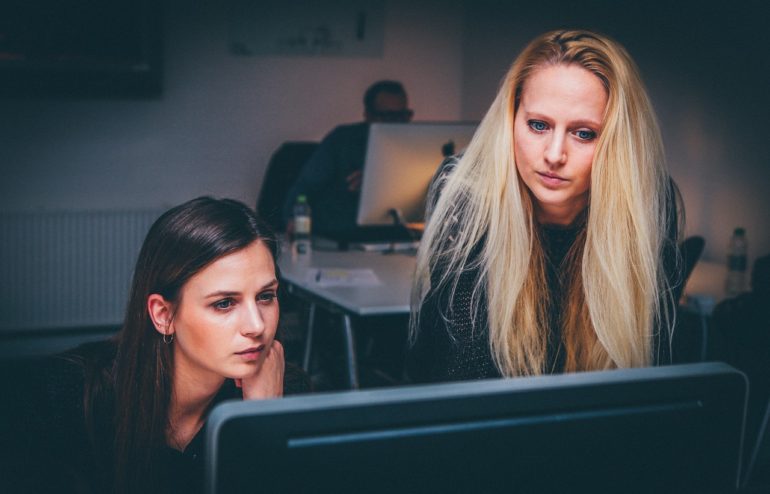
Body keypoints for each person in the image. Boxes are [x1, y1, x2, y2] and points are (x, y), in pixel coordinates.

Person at [408, 29, 682, 383]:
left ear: (618, 142)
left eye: (584, 133)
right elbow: (464, 372)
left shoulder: (649, 203)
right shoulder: (468, 193)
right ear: (511, 120)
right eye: (538, 125)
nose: (554, 155)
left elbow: (645, 373)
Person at [14, 197, 309, 494]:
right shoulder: (68, 397)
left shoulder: (281, 392)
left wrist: (261, 421)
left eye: (266, 296)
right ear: (164, 315)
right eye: (224, 303)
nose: (257, 326)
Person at [282, 79, 413, 235]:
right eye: (388, 116)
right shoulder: (342, 140)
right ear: (368, 115)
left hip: (397, 235)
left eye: (403, 116)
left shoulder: (413, 148)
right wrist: (294, 220)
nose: (396, 124)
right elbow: (305, 186)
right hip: (342, 234)